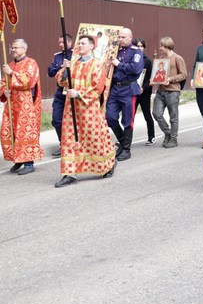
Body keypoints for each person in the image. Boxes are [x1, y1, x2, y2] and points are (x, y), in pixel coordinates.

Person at [54, 35, 116, 187]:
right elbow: (61, 81)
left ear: (91, 46)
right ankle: (70, 173)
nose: (80, 46)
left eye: (83, 43)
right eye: (78, 43)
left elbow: (98, 87)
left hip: (89, 109)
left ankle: (107, 165)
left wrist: (79, 93)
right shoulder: (72, 63)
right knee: (69, 139)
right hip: (71, 110)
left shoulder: (96, 65)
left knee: (94, 138)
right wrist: (65, 70)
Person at [0, 38, 43, 175]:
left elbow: (29, 82)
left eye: (16, 47)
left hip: (25, 103)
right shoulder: (10, 64)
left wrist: (12, 73)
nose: (13, 50)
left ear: (24, 49)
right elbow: (3, 82)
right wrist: (4, 91)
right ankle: (17, 159)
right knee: (8, 130)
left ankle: (29, 162)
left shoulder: (31, 63)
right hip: (11, 102)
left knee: (24, 131)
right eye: (12, 47)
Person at [105, 27, 143, 160]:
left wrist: (119, 64)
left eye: (123, 37)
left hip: (128, 89)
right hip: (115, 89)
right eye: (119, 37)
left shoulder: (136, 52)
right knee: (109, 117)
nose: (120, 40)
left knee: (127, 120)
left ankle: (126, 149)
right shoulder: (116, 51)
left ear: (130, 38)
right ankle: (122, 141)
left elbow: (135, 69)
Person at [151, 36, 187, 149]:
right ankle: (168, 133)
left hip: (172, 91)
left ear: (167, 46)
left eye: (161, 46)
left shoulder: (177, 58)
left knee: (173, 116)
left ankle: (173, 139)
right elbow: (157, 74)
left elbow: (184, 74)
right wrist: (153, 80)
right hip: (161, 91)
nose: (160, 47)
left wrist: (170, 79)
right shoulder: (161, 58)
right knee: (156, 113)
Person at [47, 34, 72, 157]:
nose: (61, 44)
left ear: (70, 43)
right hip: (61, 91)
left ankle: (73, 144)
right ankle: (63, 144)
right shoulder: (57, 57)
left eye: (63, 42)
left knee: (73, 120)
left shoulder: (76, 54)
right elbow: (50, 72)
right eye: (60, 42)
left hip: (73, 91)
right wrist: (60, 67)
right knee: (57, 119)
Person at [132, 38, 157, 146]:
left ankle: (151, 137)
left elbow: (151, 78)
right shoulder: (130, 59)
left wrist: (144, 88)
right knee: (130, 116)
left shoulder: (147, 61)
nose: (140, 48)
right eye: (137, 46)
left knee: (147, 114)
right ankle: (126, 139)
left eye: (142, 46)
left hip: (144, 92)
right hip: (132, 92)